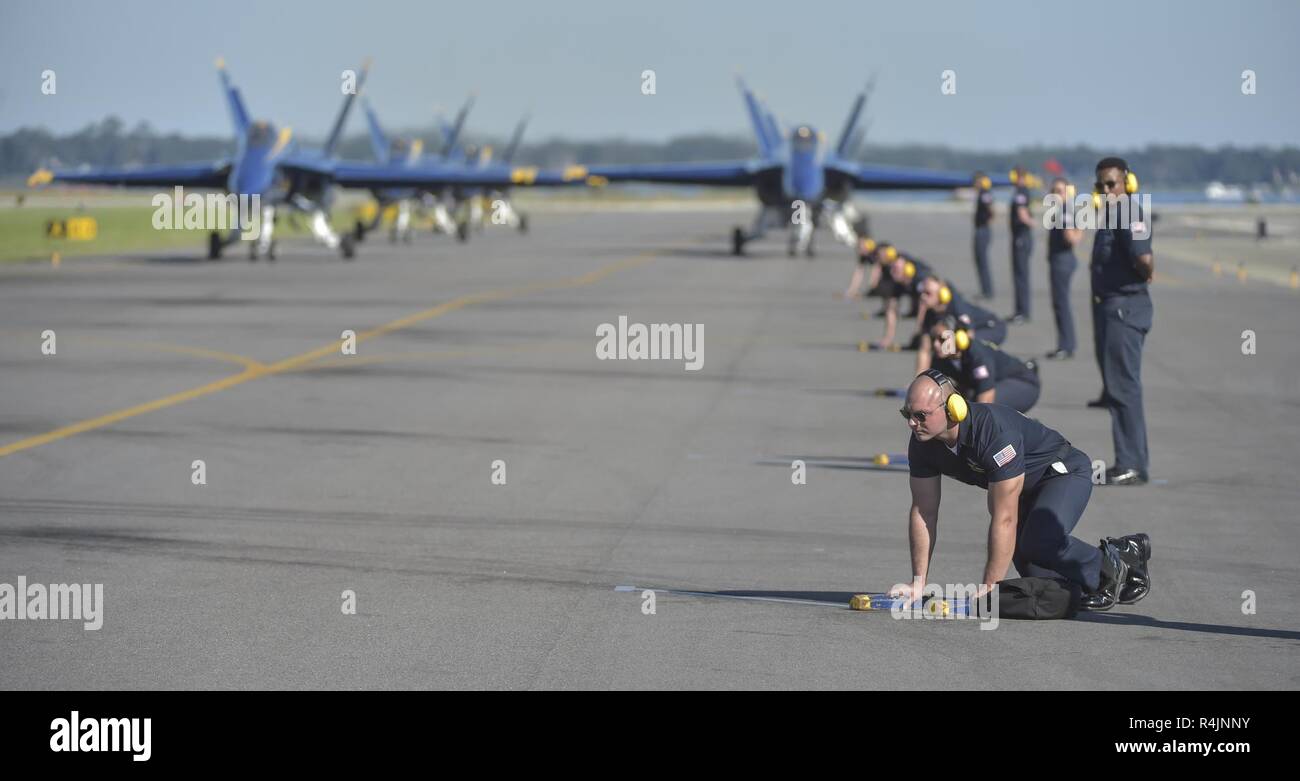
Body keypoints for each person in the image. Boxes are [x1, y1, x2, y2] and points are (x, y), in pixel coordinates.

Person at [890, 370, 1152, 611]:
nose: (912, 424)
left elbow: (1004, 517)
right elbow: (924, 512)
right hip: (1026, 488)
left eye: (921, 415)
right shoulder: (922, 443)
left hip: (1062, 472)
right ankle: (1104, 568)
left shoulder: (993, 433)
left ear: (952, 409)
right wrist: (918, 584)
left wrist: (990, 588)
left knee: (1039, 541)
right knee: (1036, 571)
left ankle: (1111, 564)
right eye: (907, 415)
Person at [1090, 157, 1154, 486]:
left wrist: (1141, 278)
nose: (1106, 190)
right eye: (1100, 185)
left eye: (1111, 184)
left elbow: (1144, 260)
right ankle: (1133, 460)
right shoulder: (1113, 214)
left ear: (1127, 183)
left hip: (1125, 310)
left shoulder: (1129, 213)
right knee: (1119, 387)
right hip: (1112, 309)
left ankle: (1131, 464)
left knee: (1123, 388)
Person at [927, 317, 1039, 412]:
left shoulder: (978, 356)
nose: (935, 344)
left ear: (959, 338)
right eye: (933, 339)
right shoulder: (940, 358)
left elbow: (986, 400)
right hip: (993, 385)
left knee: (983, 410)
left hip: (1024, 383)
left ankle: (1026, 429)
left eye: (942, 339)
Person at [914, 276, 1007, 373]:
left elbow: (969, 337)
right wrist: (918, 380)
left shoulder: (957, 308)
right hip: (970, 334)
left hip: (991, 328)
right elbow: (924, 349)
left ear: (943, 295)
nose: (922, 297)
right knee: (946, 349)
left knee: (968, 347)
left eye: (928, 293)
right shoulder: (930, 313)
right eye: (921, 292)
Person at [1046, 177, 1083, 359]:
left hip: (1062, 260)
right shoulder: (1064, 210)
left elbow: (1071, 238)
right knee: (1060, 302)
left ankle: (1066, 345)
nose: (1056, 195)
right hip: (1061, 259)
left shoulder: (1064, 211)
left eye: (1060, 191)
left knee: (1061, 303)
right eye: (1054, 191)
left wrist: (1072, 234)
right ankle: (1066, 343)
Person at [1008, 166, 1034, 324]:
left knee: (1021, 276)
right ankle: (1020, 310)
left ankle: (1023, 312)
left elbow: (1022, 213)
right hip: (1019, 236)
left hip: (1021, 237)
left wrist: (1032, 223)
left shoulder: (1021, 192)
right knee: (1019, 275)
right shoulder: (1020, 192)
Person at [972, 172, 995, 298]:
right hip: (981, 229)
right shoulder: (982, 193)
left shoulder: (985, 193)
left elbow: (990, 209)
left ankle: (987, 290)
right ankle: (985, 289)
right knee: (980, 260)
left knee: (982, 260)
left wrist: (987, 221)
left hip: (983, 230)